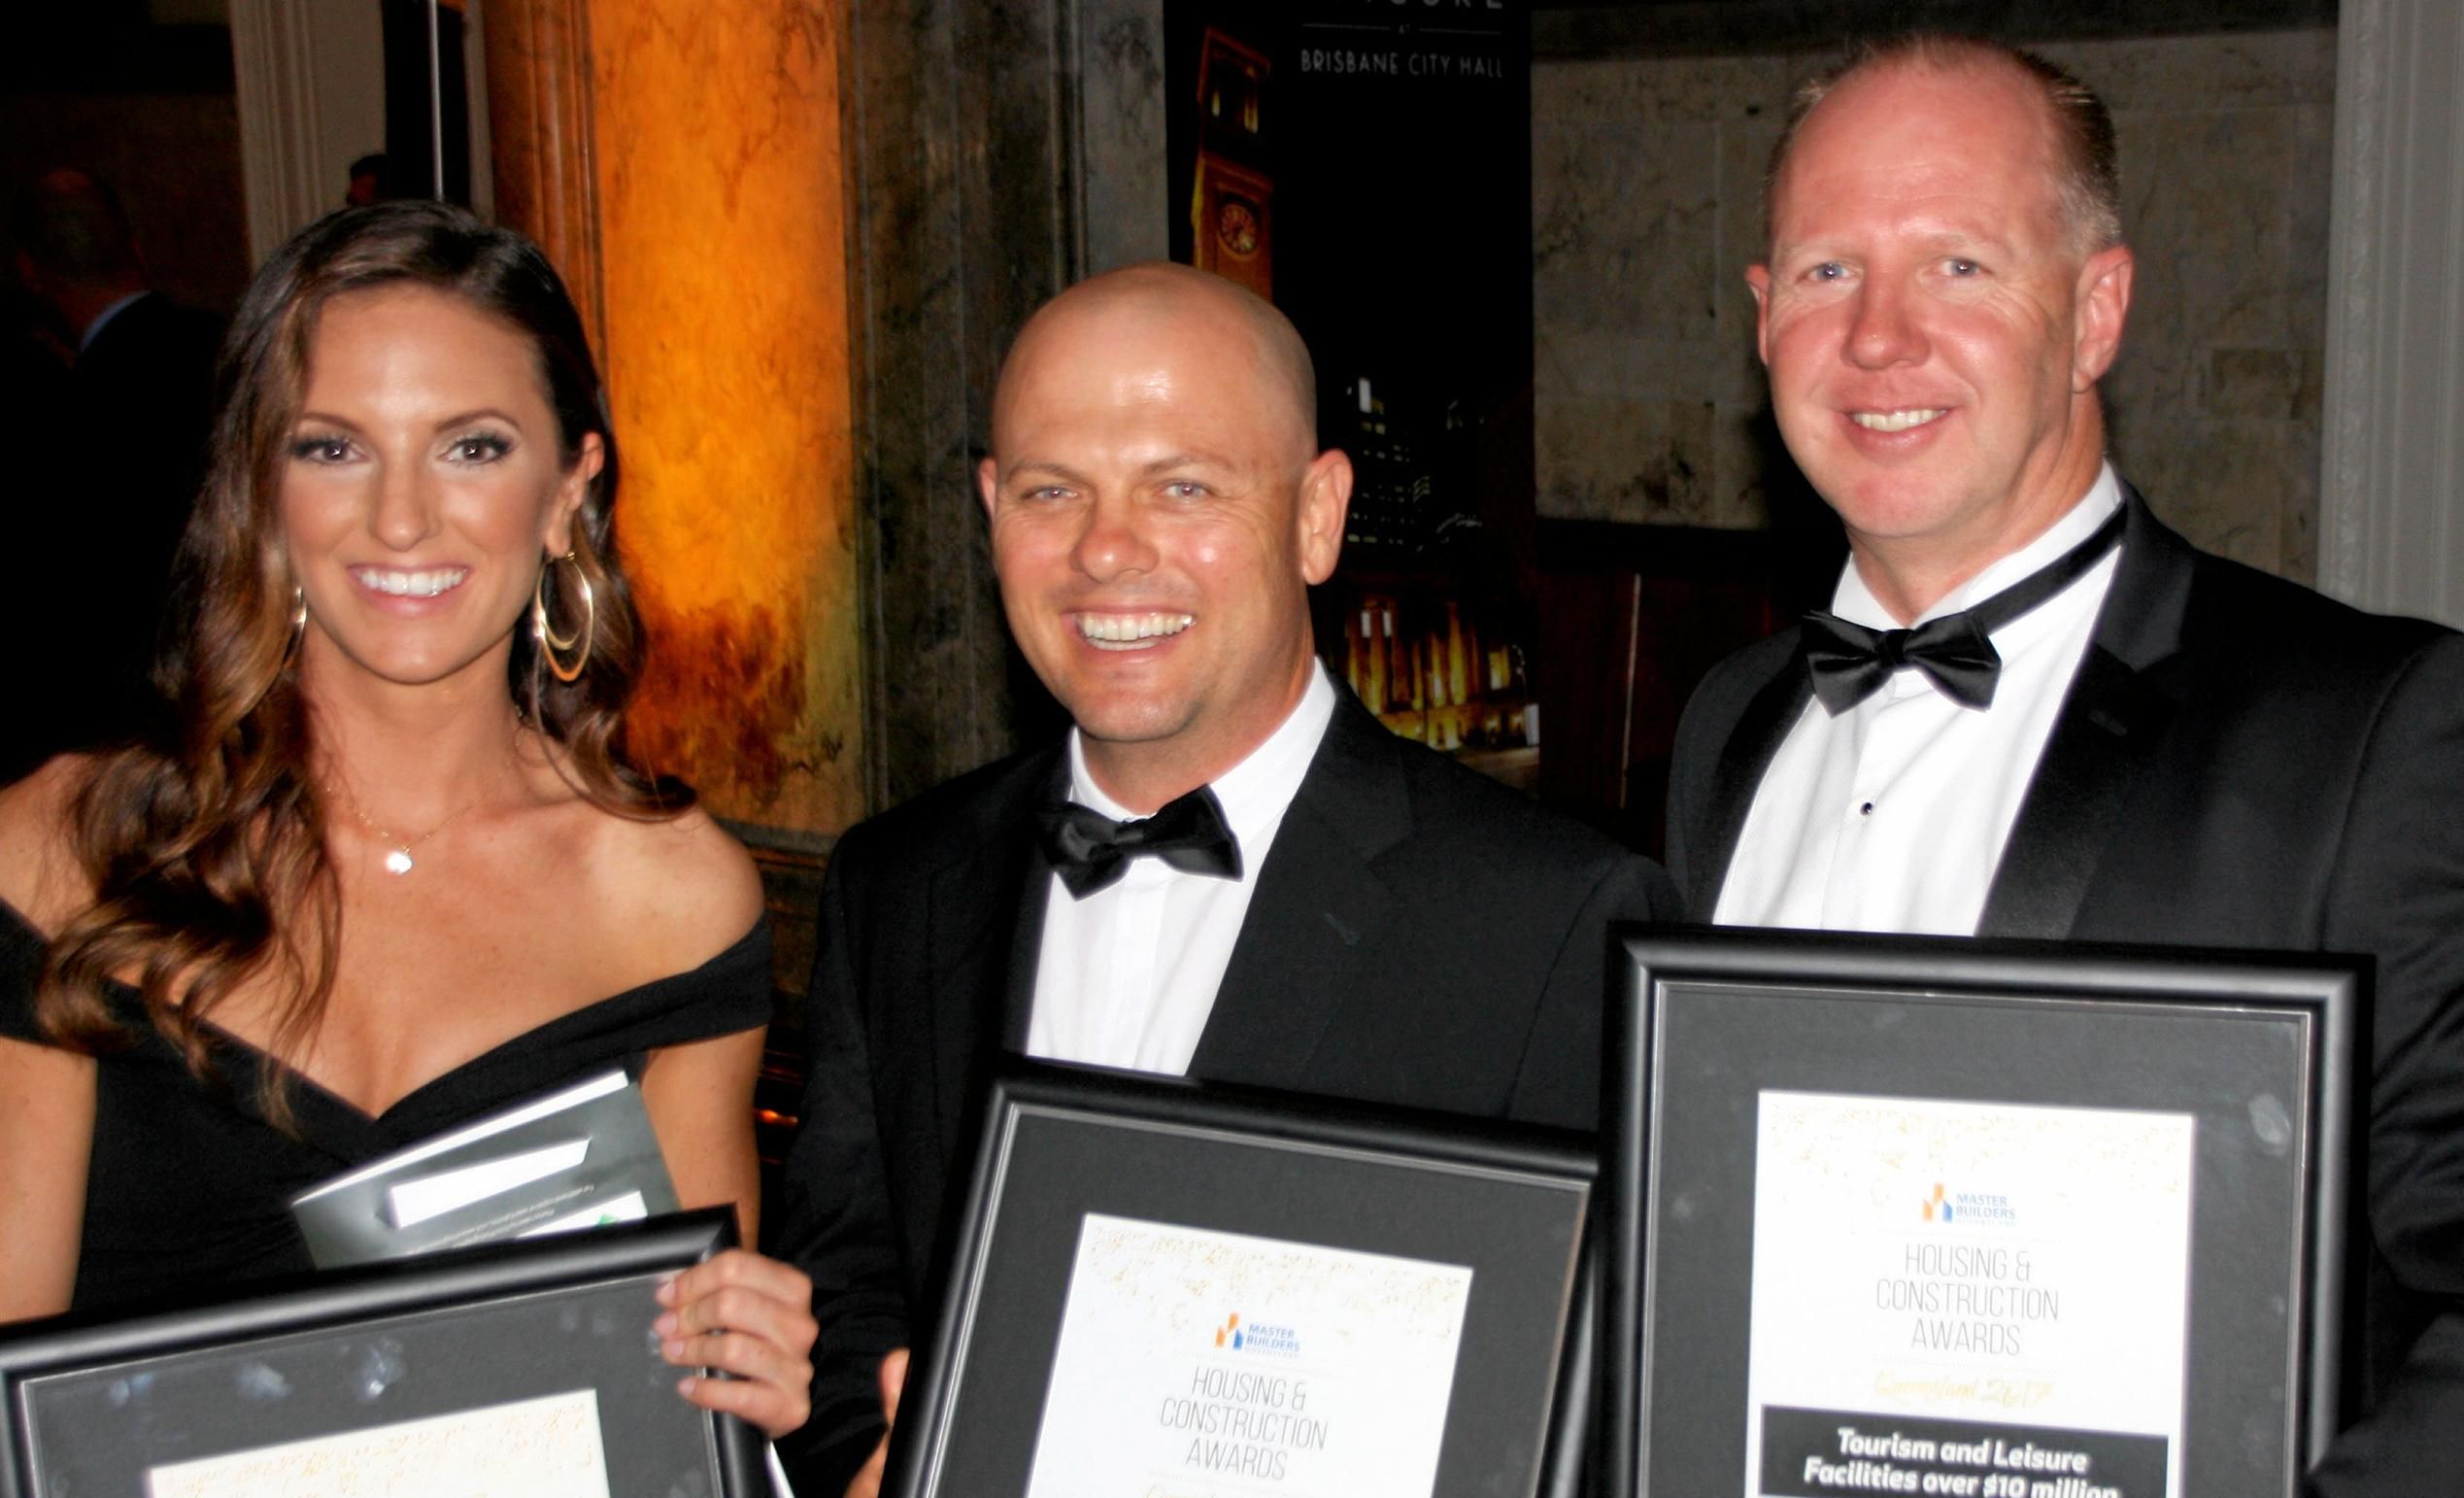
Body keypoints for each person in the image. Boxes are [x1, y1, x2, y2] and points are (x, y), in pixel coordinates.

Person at [1664, 36, 2464, 1494]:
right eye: (1829, 272)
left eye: (1959, 267)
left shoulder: (2371, 728)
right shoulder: (1728, 722)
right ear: (1764, 318)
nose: (1881, 338)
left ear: (2095, 312)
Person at [768, 261, 1679, 1494]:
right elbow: (845, 1300)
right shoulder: (898, 880)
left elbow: (1591, 1413)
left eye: (1181, 486)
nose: (1105, 551)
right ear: (990, 509)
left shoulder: (1548, 918)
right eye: (1051, 491)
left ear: (1317, 515)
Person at [0, 201, 818, 1441]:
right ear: (259, 490)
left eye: (472, 448)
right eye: (332, 449)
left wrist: (741, 1384)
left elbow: (667, 1425)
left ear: (567, 490)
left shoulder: (671, 901)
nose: (399, 519)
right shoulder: (64, 851)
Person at [11, 168, 224, 762]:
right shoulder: (233, 348)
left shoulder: (58, 416)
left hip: (115, 739)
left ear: (30, 273)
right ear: (135, 247)